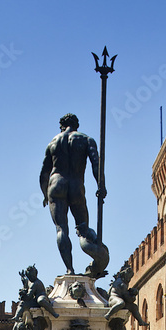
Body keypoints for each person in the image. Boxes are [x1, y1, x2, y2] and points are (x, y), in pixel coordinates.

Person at [40, 113, 109, 278]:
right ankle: (91, 248)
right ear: (76, 125)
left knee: (61, 229)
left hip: (56, 185)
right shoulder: (86, 140)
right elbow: (96, 165)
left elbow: (44, 173)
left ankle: (70, 270)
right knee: (83, 229)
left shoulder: (53, 142)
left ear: (62, 126)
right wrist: (102, 186)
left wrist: (45, 193)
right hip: (76, 186)